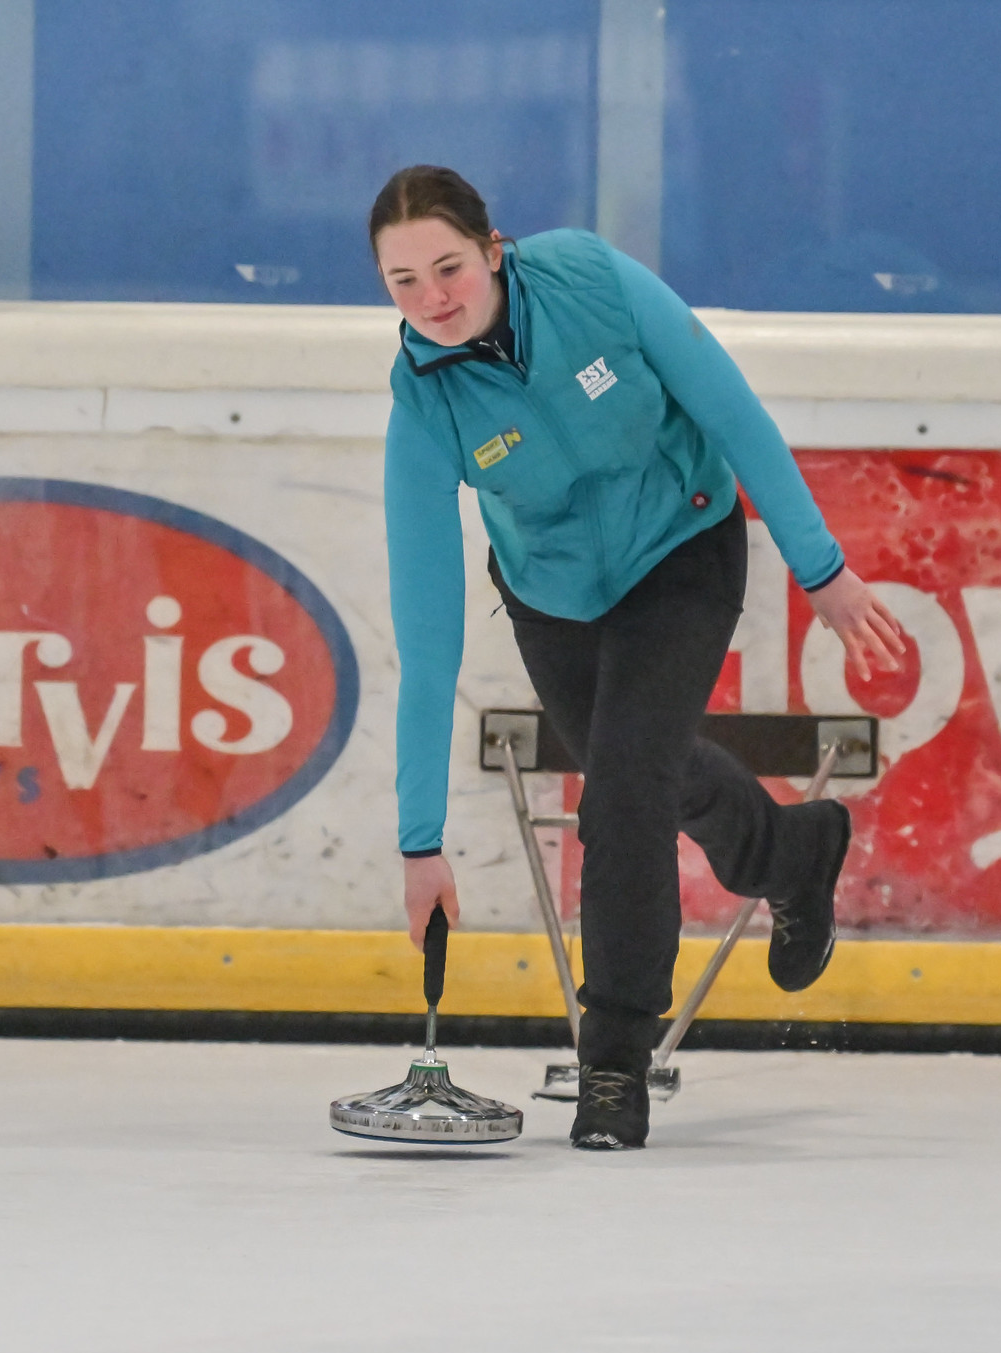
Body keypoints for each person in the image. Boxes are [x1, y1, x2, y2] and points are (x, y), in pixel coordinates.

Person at [372, 165, 907, 1151]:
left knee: (620, 790)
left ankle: (612, 1064)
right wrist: (419, 843)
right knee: (642, 774)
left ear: (493, 251)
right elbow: (427, 640)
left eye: (446, 266)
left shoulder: (590, 281)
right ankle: (795, 853)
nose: (431, 298)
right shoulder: (423, 405)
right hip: (552, 597)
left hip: (681, 550)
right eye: (402, 281)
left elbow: (731, 412)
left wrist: (819, 567)